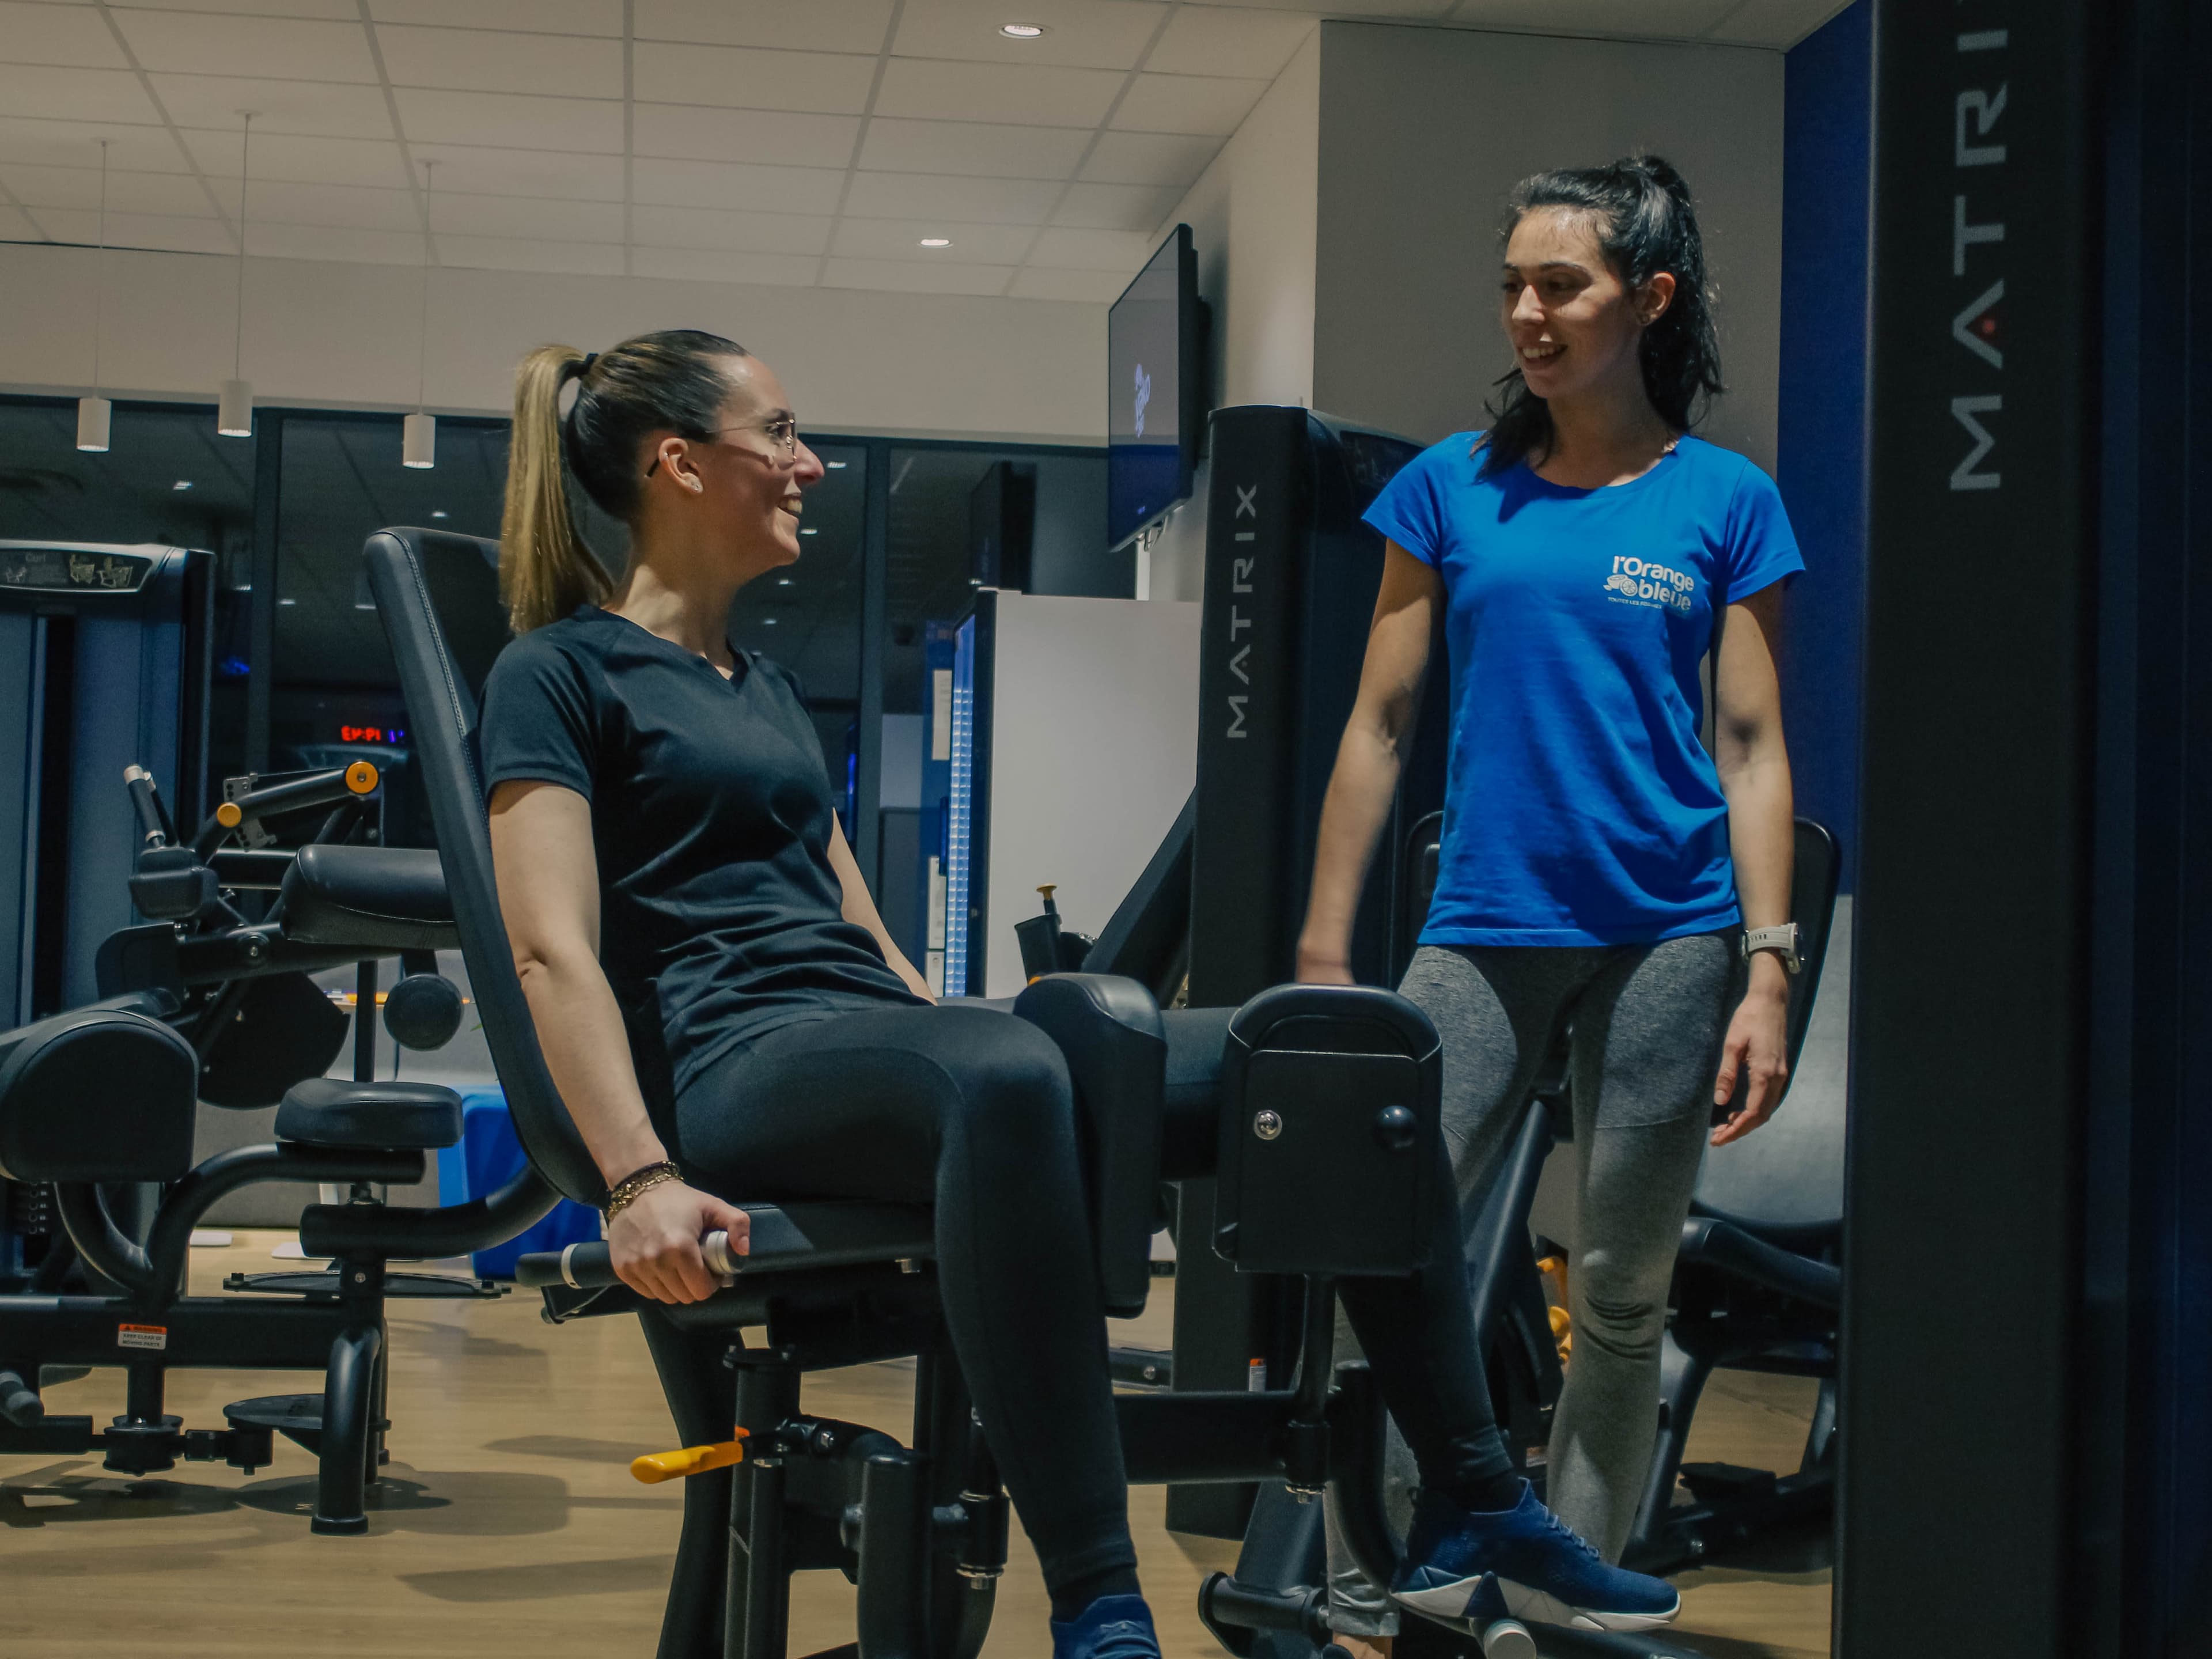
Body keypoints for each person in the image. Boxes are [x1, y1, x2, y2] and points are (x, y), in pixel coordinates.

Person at [477, 328, 1683, 1652]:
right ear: (679, 464)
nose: (807, 462)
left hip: (863, 1038)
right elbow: (551, 950)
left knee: (1336, 1057)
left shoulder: (755, 682)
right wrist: (639, 1180)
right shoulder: (558, 673)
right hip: (735, 1065)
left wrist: (955, 1018)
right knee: (998, 1076)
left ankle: (1471, 1496)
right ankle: (1099, 1600)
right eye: (778, 434)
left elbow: (858, 921)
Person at [1300, 156, 1804, 1652]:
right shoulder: (1450, 489)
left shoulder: (1728, 501)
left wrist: (1769, 970)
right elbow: (1379, 726)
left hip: (1671, 933)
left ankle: (1560, 1596)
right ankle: (1366, 1582)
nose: (1527, 311)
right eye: (1512, 284)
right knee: (1386, 1261)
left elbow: (1757, 747)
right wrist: (1331, 944)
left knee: (1625, 1291)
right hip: (1481, 925)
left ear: (1646, 299)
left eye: (1560, 284)